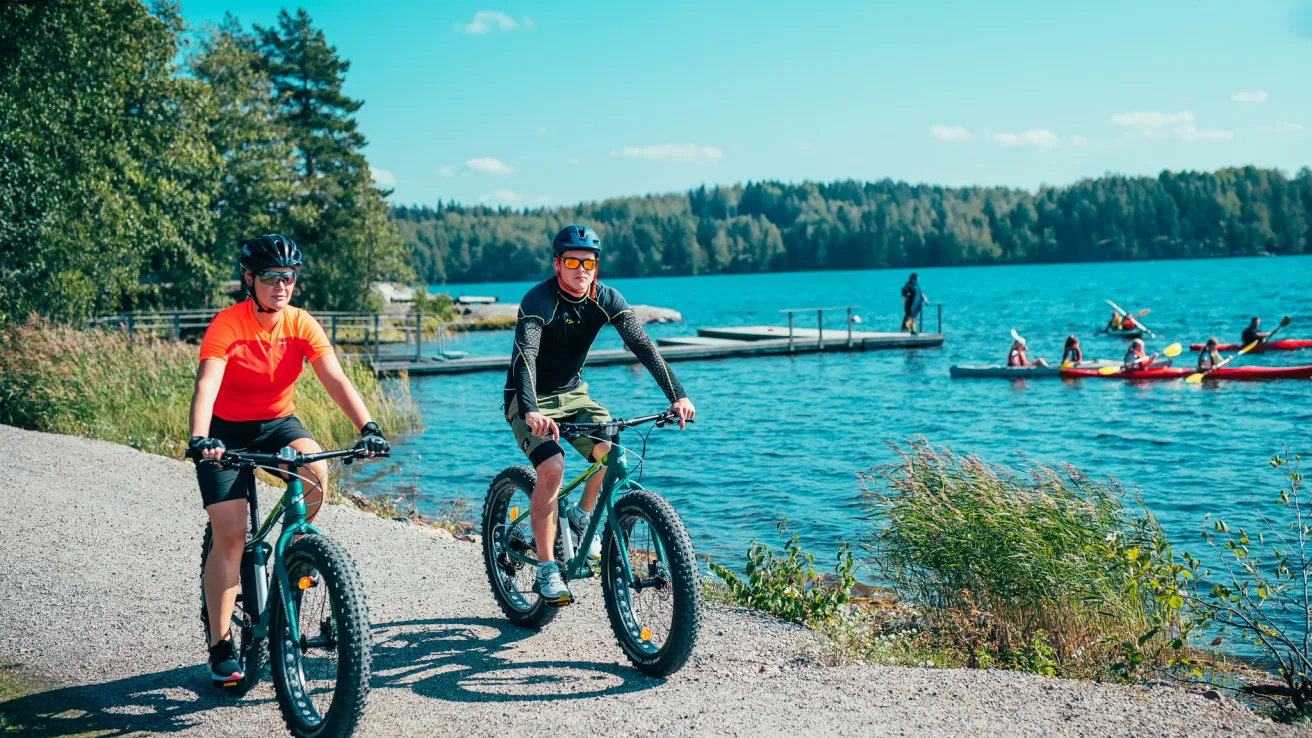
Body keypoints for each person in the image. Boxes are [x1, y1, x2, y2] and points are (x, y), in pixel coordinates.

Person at [188, 234, 390, 686]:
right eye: (271, 277)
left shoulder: (301, 323)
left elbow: (335, 379)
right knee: (231, 535)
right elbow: (206, 384)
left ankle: (293, 555)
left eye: (289, 277)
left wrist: (368, 426)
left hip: (277, 422)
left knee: (316, 470)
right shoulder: (227, 324)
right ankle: (220, 643)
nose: (282, 285)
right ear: (249, 279)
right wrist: (201, 438)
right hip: (224, 430)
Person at [505, 225, 695, 605]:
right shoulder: (538, 300)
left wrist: (678, 395)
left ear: (596, 266)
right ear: (557, 264)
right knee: (553, 467)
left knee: (613, 455)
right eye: (572, 262)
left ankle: (581, 515)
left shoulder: (606, 298)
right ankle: (546, 569)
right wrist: (531, 411)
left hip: (574, 395)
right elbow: (526, 360)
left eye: (588, 263)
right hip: (530, 400)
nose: (581, 270)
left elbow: (643, 346)